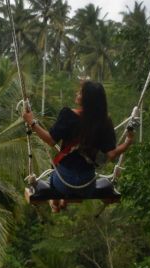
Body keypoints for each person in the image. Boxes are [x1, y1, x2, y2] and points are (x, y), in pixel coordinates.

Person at [23, 79, 135, 211]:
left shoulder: (68, 115)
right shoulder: (105, 122)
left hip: (63, 183)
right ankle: (61, 202)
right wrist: (128, 141)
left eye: (81, 93)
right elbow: (111, 154)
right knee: (64, 175)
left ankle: (56, 202)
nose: (77, 94)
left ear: (87, 99)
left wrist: (32, 123)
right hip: (87, 186)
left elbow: (51, 140)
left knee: (54, 176)